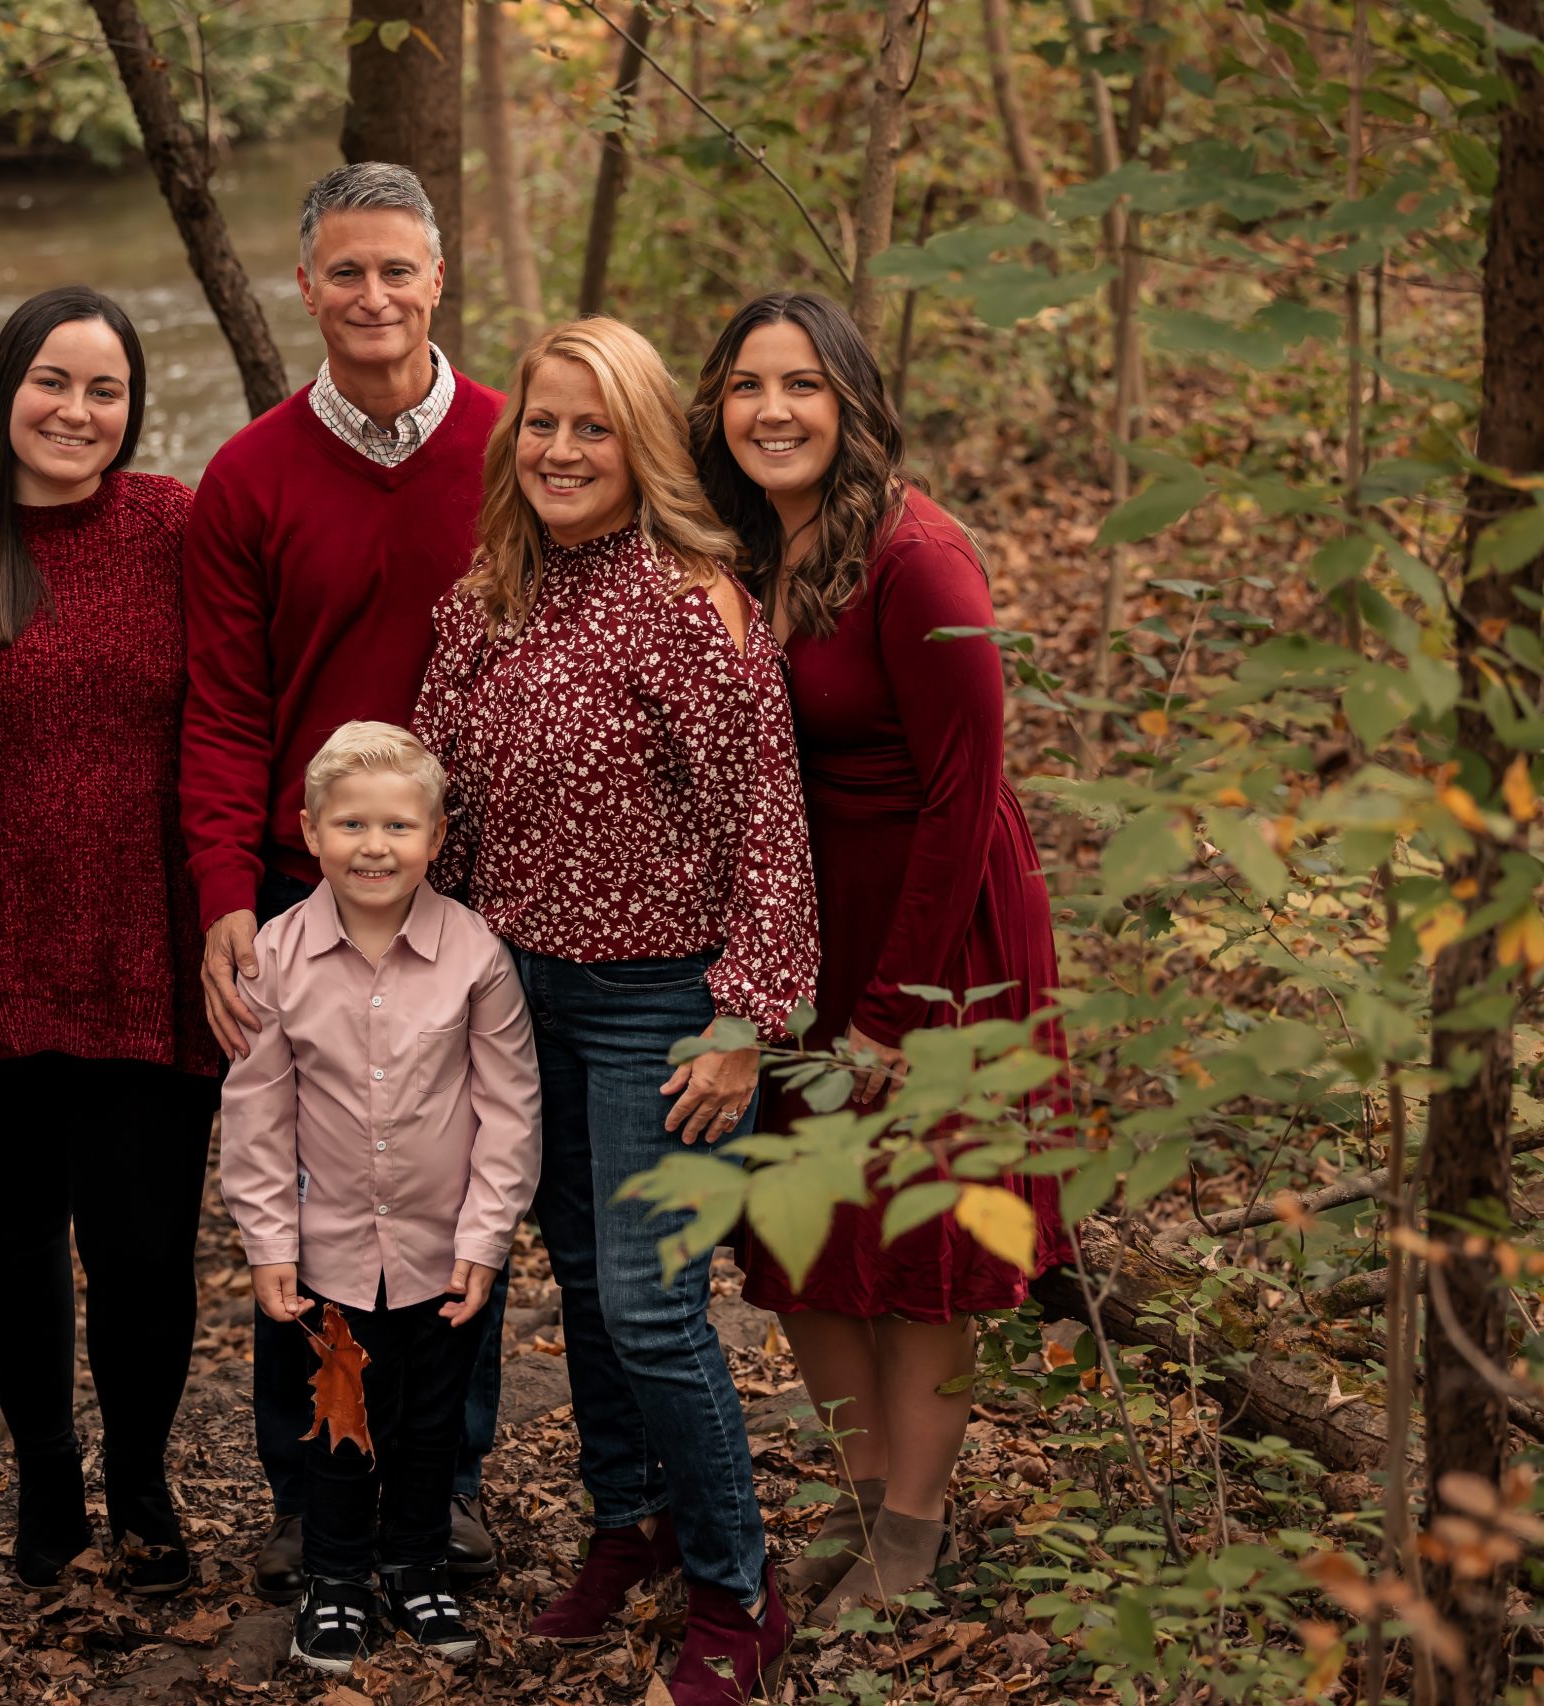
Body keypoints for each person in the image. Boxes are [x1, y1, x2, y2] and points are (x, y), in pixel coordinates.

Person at [412, 316, 817, 1706]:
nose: (564, 449)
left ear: (641, 442)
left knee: (653, 1310)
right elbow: (438, 818)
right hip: (518, 994)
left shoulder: (694, 603)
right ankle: (625, 1522)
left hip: (658, 1003)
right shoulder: (481, 605)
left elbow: (769, 823)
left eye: (594, 426)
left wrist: (743, 1017)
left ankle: (735, 1587)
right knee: (584, 1282)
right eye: (542, 423)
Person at [687, 290, 1070, 1623]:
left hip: (935, 933)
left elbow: (966, 799)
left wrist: (895, 1015)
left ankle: (916, 1523)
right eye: (746, 385)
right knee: (803, 1227)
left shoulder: (921, 558)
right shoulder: (742, 544)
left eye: (801, 385)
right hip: (799, 931)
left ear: (853, 403)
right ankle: (860, 1488)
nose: (773, 410)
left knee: (922, 1240)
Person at [179, 161, 509, 1599]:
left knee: (446, 1193)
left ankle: (452, 1477)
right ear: (303, 288)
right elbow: (224, 709)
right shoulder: (247, 476)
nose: (372, 296)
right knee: (308, 1203)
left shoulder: (516, 450)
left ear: (439, 280)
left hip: (480, 887)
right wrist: (222, 897)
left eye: (398, 270)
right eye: (344, 272)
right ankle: (311, 1487)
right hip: (298, 887)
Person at [0, 287, 220, 1596]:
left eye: (105, 390)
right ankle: (47, 1484)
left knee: (147, 1246)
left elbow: (247, 694)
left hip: (149, 941)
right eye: (53, 382)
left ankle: (142, 1479)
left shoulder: (174, 524)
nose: (77, 412)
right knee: (13, 1233)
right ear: (3, 389)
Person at [219, 723, 541, 1675]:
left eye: (399, 826)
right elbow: (258, 1113)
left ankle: (416, 1563)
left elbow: (510, 1107)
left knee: (433, 1419)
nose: (374, 845)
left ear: (437, 838)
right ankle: (337, 1578)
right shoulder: (277, 957)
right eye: (350, 823)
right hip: (328, 1250)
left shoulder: (474, 954)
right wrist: (270, 1243)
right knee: (339, 1418)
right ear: (310, 832)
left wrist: (486, 1240)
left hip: (445, 1250)